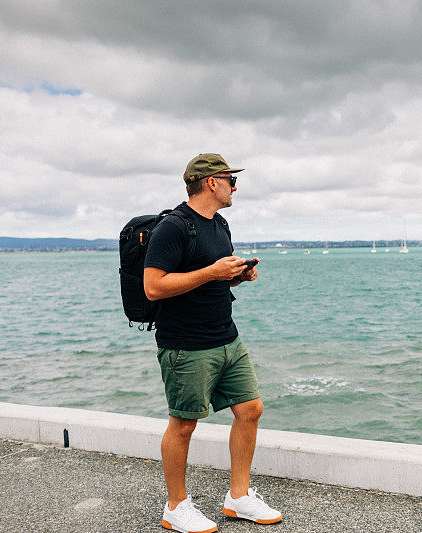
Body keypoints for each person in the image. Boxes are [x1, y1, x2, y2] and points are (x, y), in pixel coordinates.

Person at [144, 153, 282, 532]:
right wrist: (212, 271)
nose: (234, 187)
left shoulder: (220, 223)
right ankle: (176, 507)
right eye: (231, 180)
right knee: (183, 424)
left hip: (227, 336)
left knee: (251, 409)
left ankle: (238, 498)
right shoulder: (173, 228)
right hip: (186, 344)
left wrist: (237, 276)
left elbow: (210, 278)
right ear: (211, 182)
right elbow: (154, 287)